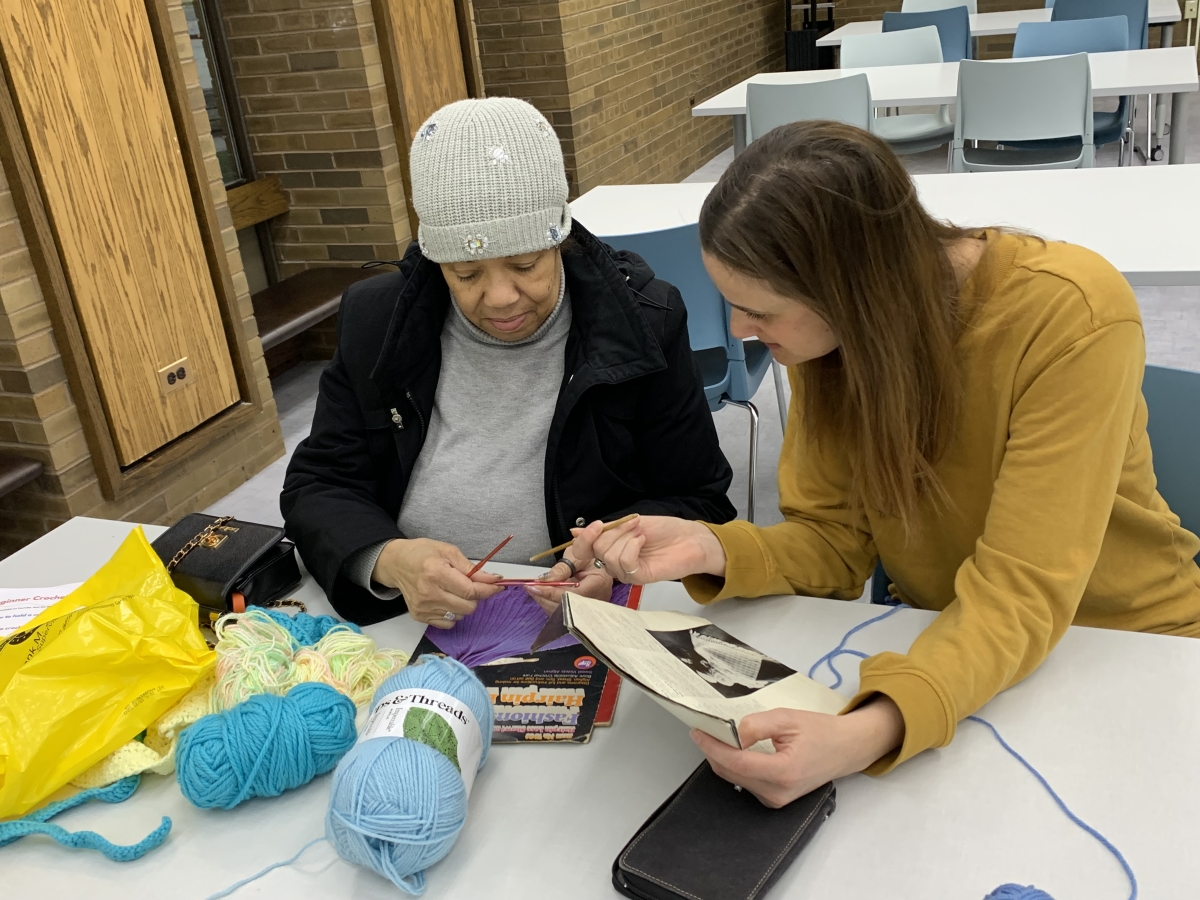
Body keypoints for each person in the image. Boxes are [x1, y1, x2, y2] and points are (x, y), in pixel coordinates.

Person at [584, 121, 1200, 807]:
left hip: (1129, 650)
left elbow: (1021, 590)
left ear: (853, 290)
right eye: (732, 302)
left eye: (761, 311)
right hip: (958, 651)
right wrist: (711, 547)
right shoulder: (833, 336)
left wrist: (870, 730)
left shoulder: (1069, 313)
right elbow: (835, 542)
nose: (737, 332)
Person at [281, 97, 736, 628]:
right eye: (466, 273)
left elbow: (700, 498)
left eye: (525, 264)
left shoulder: (644, 322)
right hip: (407, 617)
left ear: (560, 240)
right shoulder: (376, 320)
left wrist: (611, 560)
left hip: (578, 617)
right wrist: (388, 559)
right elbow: (318, 483)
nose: (500, 298)